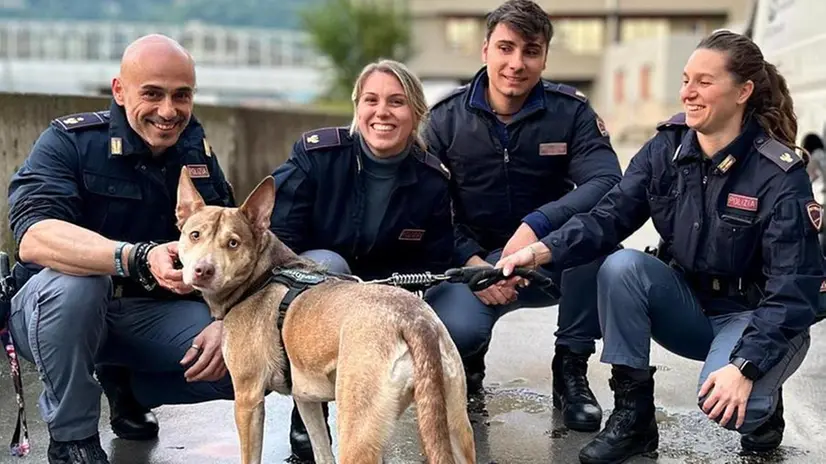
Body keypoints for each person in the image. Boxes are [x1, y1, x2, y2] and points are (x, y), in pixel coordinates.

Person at [496, 30, 824, 464]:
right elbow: (606, 218)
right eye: (687, 79)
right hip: (689, 309)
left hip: (754, 314)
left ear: (743, 91)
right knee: (622, 267)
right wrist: (537, 251)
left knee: (730, 409)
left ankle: (763, 401)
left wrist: (746, 368)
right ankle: (634, 420)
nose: (688, 92)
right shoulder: (665, 149)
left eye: (704, 82)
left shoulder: (779, 173)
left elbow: (794, 289)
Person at [6, 34, 236, 464]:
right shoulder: (70, 142)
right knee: (79, 288)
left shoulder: (196, 151)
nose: (169, 111)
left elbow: (234, 250)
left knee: (247, 356)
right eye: (152, 93)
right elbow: (34, 237)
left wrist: (229, 320)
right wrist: (134, 256)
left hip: (146, 315)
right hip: (54, 314)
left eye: (181, 95)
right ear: (119, 90)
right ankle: (73, 440)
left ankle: (129, 388)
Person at [422, 0, 623, 432]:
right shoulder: (443, 121)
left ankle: (570, 368)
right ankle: (468, 362)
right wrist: (475, 265)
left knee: (601, 246)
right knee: (456, 330)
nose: (517, 63)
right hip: (472, 263)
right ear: (485, 51)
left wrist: (539, 229)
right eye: (506, 48)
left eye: (530, 51)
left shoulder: (571, 113)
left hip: (547, 258)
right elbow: (425, 212)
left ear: (545, 57)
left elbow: (606, 181)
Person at [268, 59, 454, 462]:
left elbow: (436, 260)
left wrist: (394, 295)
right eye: (371, 100)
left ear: (417, 113)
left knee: (454, 327)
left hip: (388, 291)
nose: (382, 112)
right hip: (317, 285)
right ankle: (307, 413)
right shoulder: (318, 154)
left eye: (397, 102)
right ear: (357, 107)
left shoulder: (432, 179)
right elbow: (279, 239)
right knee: (330, 267)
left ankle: (383, 405)